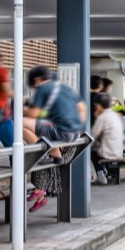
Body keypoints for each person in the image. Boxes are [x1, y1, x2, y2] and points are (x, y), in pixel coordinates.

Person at [23, 66, 87, 210]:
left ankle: (46, 151)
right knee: (44, 148)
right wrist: (76, 126)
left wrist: (22, 107)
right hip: (75, 133)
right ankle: (49, 151)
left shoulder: (42, 89)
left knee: (19, 124)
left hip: (61, 132)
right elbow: (82, 108)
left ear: (37, 80)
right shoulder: (66, 88)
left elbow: (33, 114)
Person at [88, 93, 123, 184]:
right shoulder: (114, 115)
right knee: (94, 148)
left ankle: (100, 175)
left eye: (96, 105)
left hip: (108, 151)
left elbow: (94, 135)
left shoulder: (102, 117)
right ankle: (103, 171)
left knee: (88, 151)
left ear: (99, 105)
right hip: (118, 150)